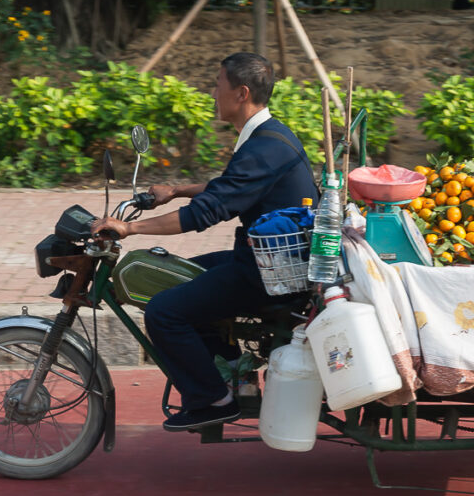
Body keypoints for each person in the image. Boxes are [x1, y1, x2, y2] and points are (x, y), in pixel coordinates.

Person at [90, 52, 319, 431]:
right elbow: (232, 188)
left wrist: (130, 229)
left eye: (218, 85)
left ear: (241, 93)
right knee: (184, 274)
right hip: (264, 260)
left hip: (269, 273)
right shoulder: (269, 136)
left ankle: (213, 401)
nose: (212, 93)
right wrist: (177, 189)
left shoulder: (263, 148)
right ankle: (231, 372)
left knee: (164, 311)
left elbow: (207, 212)